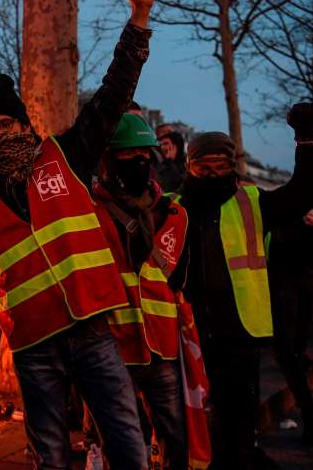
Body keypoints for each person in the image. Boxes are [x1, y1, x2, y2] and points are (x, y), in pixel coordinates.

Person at [0, 0, 155, 467]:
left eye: (6, 124)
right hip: (32, 347)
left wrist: (138, 21)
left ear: (26, 124)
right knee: (51, 457)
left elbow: (111, 97)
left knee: (126, 442)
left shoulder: (66, 155)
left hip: (90, 331)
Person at [173, 102, 313, 468]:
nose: (212, 174)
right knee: (196, 418)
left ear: (232, 166)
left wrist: (309, 141)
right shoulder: (173, 209)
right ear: (189, 167)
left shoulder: (253, 202)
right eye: (203, 167)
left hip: (240, 334)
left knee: (239, 418)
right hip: (189, 334)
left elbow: (302, 194)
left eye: (220, 166)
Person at [93, 114, 209, 470]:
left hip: (163, 348)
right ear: (108, 159)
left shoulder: (174, 213)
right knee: (124, 446)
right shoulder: (90, 213)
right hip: (114, 348)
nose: (140, 160)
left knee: (177, 442)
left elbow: (183, 278)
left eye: (145, 153)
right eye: (129, 154)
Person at [268, 199, 313, 446]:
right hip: (301, 284)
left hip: (288, 289)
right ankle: (311, 418)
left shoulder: (284, 219)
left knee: (288, 355)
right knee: (292, 353)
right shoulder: (304, 219)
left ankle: (311, 418)